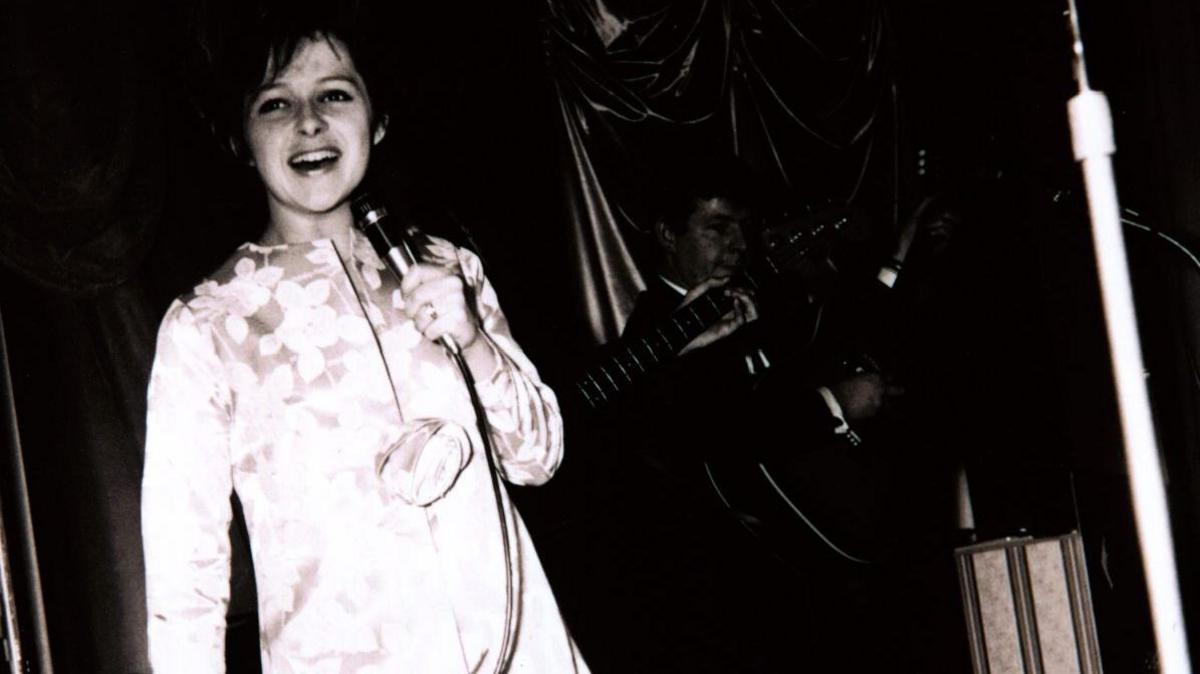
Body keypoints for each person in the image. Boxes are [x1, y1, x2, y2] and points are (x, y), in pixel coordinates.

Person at [140, 14, 589, 673]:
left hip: (525, 651)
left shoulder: (448, 268)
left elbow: (538, 457)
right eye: (275, 103)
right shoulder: (206, 324)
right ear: (243, 135)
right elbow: (185, 577)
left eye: (335, 93)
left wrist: (475, 341)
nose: (309, 121)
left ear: (377, 119)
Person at [572, 166, 900, 672]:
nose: (738, 244)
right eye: (718, 228)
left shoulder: (740, 306)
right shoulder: (654, 328)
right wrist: (833, 405)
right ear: (667, 234)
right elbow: (723, 435)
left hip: (792, 572)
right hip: (719, 596)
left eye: (744, 229)